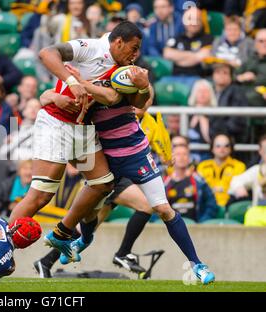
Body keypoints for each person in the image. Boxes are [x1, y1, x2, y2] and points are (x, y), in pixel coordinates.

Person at [39, 22, 215, 284]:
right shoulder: (90, 66)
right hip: (105, 157)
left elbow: (138, 99)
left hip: (135, 154)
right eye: (132, 49)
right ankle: (81, 241)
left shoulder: (126, 75)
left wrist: (142, 86)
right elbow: (44, 96)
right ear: (116, 43)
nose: (135, 55)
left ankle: (198, 265)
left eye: (137, 51)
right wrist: (60, 92)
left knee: (162, 209)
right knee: (93, 209)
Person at [164, 144, 219, 223]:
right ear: (172, 158)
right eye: (178, 154)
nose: (181, 157)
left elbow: (212, 204)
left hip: (195, 225)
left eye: (185, 154)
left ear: (189, 158)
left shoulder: (199, 181)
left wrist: (201, 222)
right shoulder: (165, 182)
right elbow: (155, 208)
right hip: (171, 226)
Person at [163, 7, 213, 85]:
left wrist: (178, 57)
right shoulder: (177, 38)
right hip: (175, 77)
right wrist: (194, 56)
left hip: (197, 78)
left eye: (197, 19)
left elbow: (203, 56)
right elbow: (166, 53)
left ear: (201, 21)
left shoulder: (208, 39)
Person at [197, 134, 246, 207]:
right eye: (218, 146)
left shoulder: (239, 166)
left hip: (230, 205)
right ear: (212, 148)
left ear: (231, 148)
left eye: (226, 146)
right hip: (207, 206)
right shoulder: (202, 166)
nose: (222, 149)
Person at [210, 62, 249, 143]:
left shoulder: (237, 92)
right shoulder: (209, 90)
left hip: (230, 137)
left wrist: (220, 132)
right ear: (212, 75)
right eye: (217, 72)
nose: (221, 75)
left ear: (231, 77)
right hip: (213, 134)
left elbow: (236, 121)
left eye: (225, 73)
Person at [229, 135, 266, 207]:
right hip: (259, 214)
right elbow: (235, 181)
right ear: (260, 151)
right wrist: (238, 188)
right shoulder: (257, 170)